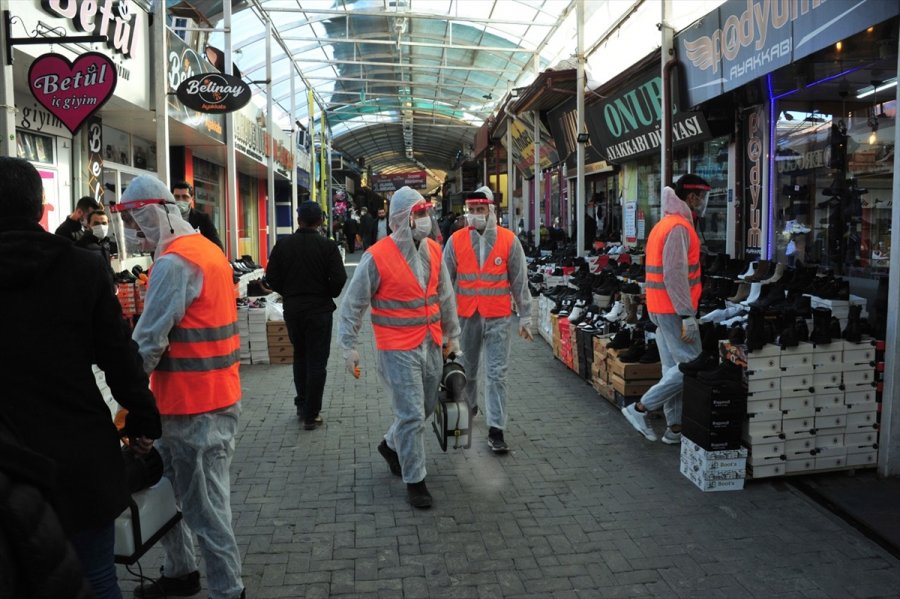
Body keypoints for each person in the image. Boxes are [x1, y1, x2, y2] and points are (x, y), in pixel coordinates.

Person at [0, 157, 161, 599]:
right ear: (41, 209)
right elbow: (118, 358)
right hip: (77, 456)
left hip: (7, 458)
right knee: (97, 575)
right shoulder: (82, 266)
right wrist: (143, 421)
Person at [110, 175, 245, 599]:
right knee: (168, 489)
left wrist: (127, 402)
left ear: (155, 214)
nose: (134, 232)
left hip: (192, 410)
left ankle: (228, 589)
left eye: (137, 221)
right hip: (200, 401)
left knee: (205, 509)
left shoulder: (174, 264)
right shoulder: (207, 250)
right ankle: (181, 570)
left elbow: (149, 341)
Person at [337, 186, 461, 509]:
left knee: (426, 406)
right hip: (397, 348)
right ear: (402, 220)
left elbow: (445, 296)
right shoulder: (376, 257)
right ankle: (415, 479)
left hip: (431, 342)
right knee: (410, 414)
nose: (425, 220)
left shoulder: (433, 250)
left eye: (425, 214)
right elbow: (353, 304)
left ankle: (391, 445)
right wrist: (348, 346)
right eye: (418, 215)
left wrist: (453, 335)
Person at [621, 174, 710, 445]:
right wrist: (686, 314)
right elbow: (674, 274)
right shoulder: (680, 227)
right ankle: (640, 408)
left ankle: (675, 427)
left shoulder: (663, 225)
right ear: (692, 197)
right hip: (674, 309)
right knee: (691, 365)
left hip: (660, 306)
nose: (704, 202)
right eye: (702, 197)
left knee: (673, 368)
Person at [443, 186, 533, 453]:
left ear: (491, 211)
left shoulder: (508, 241)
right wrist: (443, 324)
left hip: (498, 317)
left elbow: (519, 281)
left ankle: (497, 428)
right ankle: (469, 406)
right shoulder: (456, 241)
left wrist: (526, 316)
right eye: (471, 211)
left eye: (480, 210)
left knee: (496, 374)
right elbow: (445, 284)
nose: (475, 215)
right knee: (467, 370)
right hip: (466, 316)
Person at [265, 201, 347, 430]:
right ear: (320, 220)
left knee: (300, 356)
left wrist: (289, 292)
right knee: (317, 361)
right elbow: (339, 279)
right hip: (320, 311)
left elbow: (271, 276)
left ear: (298, 219)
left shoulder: (283, 246)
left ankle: (302, 404)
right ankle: (312, 414)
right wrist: (328, 292)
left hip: (293, 310)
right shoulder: (328, 247)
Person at [172, 180, 224, 251]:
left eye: (185, 197)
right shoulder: (167, 218)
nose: (181, 200)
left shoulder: (203, 219)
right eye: (177, 197)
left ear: (192, 199)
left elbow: (218, 247)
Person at [76, 209, 117, 285]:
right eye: (96, 224)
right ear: (88, 225)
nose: (101, 227)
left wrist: (114, 282)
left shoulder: (105, 244)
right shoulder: (81, 246)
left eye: (104, 223)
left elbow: (107, 267)